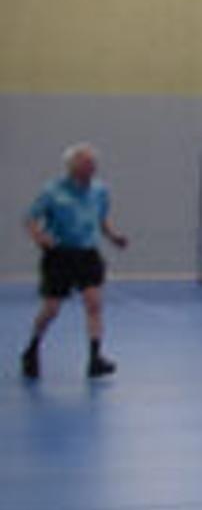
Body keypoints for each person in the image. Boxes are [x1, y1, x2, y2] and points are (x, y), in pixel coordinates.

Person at [21, 144, 125, 382]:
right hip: (60, 254)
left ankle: (95, 358)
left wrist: (113, 236)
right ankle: (32, 349)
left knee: (94, 304)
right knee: (52, 309)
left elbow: (101, 218)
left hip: (87, 254)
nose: (92, 168)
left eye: (93, 163)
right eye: (86, 163)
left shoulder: (100, 190)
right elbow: (31, 219)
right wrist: (39, 237)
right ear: (72, 167)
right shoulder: (52, 191)